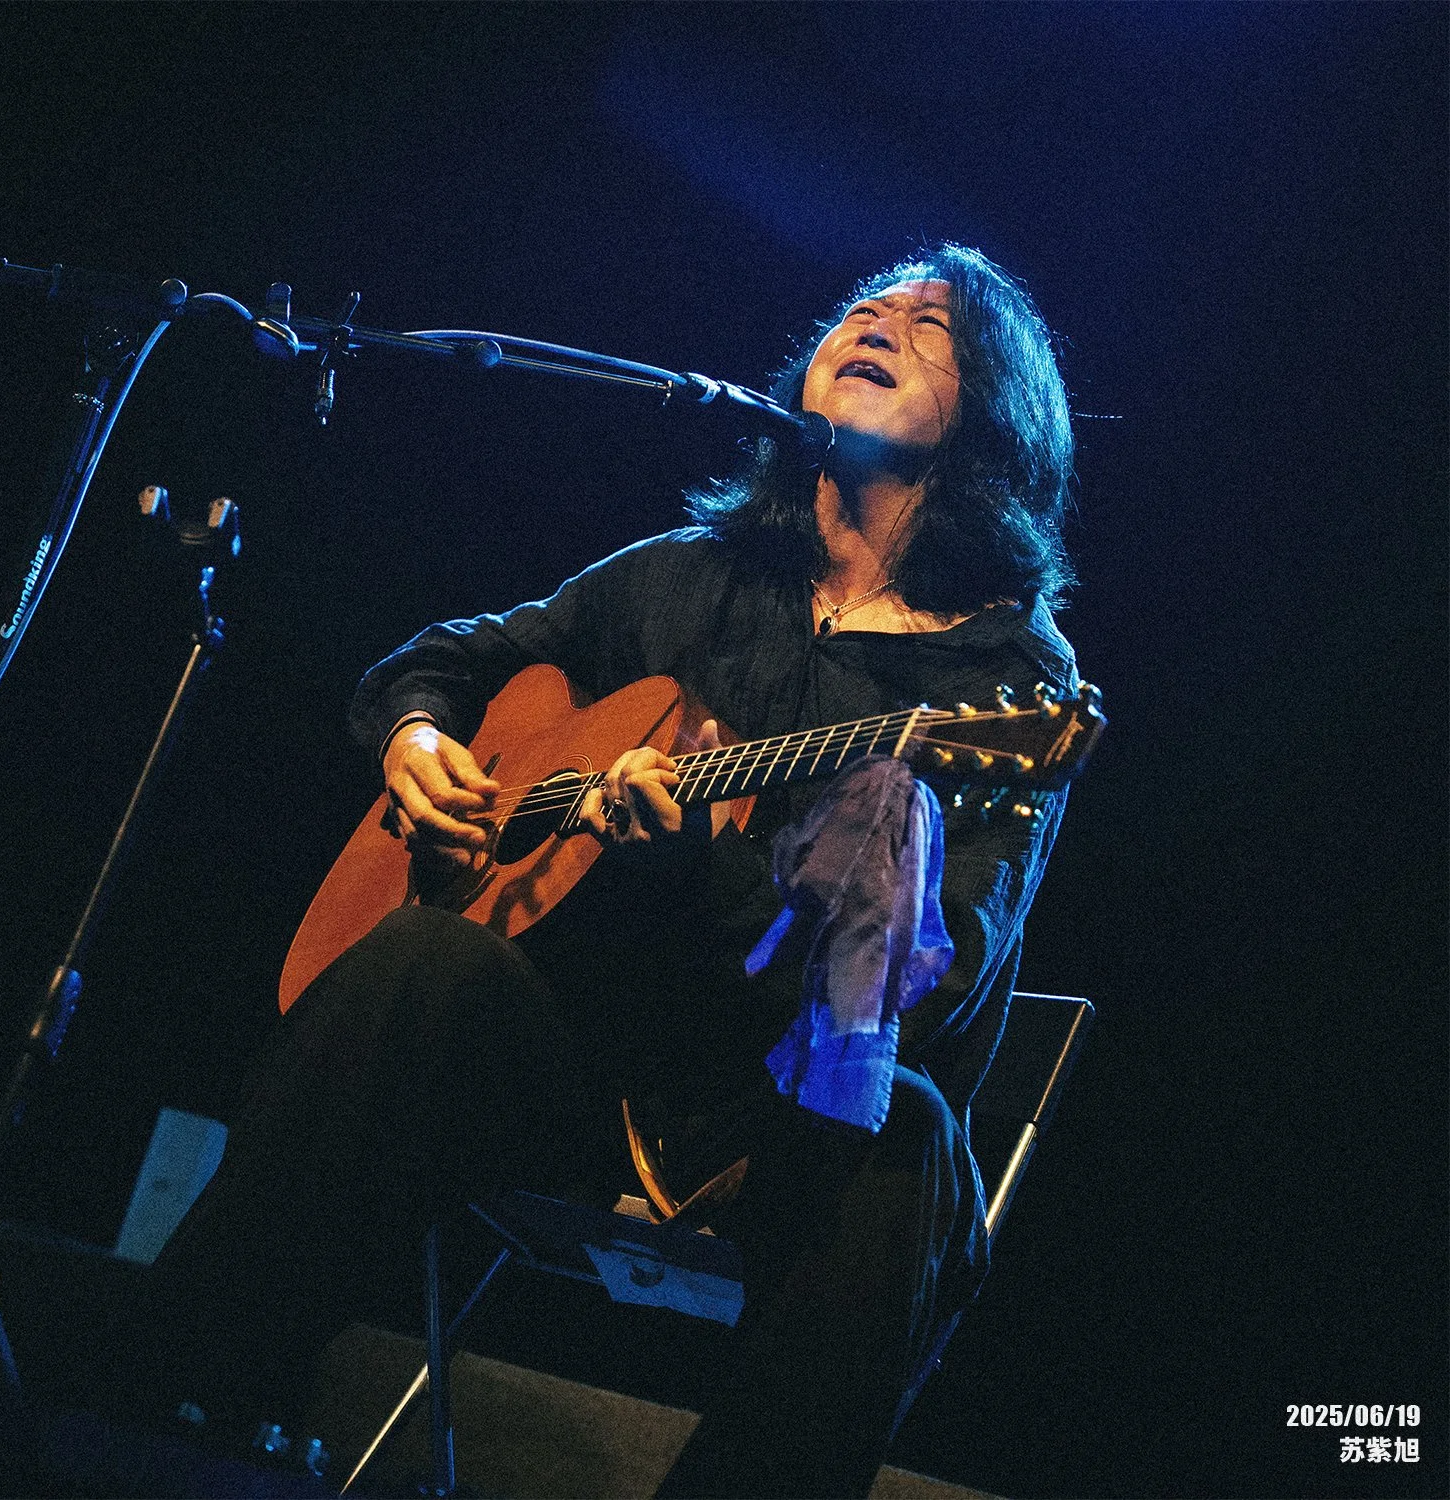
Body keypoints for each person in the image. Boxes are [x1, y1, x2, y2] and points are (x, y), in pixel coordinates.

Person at [144, 243, 1082, 1498]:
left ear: (993, 415)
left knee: (908, 1148)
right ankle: (179, 1399)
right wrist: (417, 741)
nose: (874, 324)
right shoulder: (687, 575)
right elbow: (443, 661)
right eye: (862, 309)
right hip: (571, 1076)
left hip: (775, 1117)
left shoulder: (1006, 687)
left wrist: (719, 868)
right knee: (423, 953)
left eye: (928, 328)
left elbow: (944, 980)